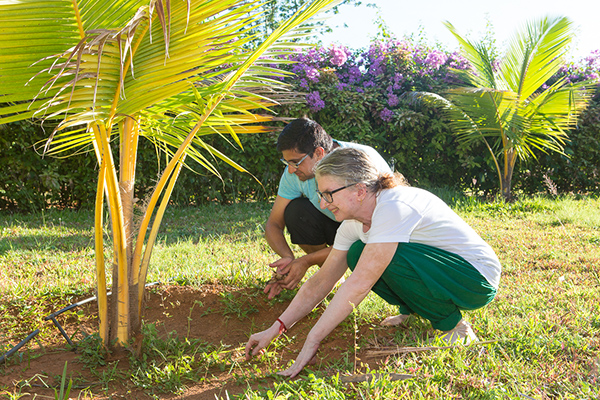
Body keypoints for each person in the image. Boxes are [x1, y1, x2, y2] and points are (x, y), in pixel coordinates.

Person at [246, 147, 501, 378]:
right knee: (357, 252)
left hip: (475, 279)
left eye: (328, 194)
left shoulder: (392, 206)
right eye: (320, 195)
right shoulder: (352, 225)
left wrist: (313, 340)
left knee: (379, 257)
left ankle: (455, 326)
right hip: (441, 272)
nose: (323, 204)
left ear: (359, 191)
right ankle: (412, 308)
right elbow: (320, 282)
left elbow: (358, 285)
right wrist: (276, 328)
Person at [263, 118, 391, 299]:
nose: (291, 170)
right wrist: (288, 259)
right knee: (296, 212)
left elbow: (380, 231)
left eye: (295, 162)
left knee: (359, 249)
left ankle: (356, 277)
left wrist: (305, 262)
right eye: (287, 163)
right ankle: (332, 274)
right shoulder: (295, 173)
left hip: (375, 232)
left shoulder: (361, 162)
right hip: (340, 228)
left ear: (319, 153)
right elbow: (273, 223)